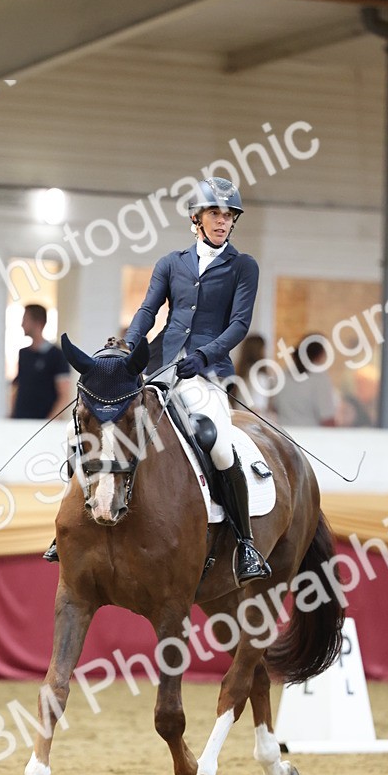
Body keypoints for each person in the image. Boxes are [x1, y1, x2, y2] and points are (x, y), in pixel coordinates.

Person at [124, 176, 270, 585]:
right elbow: (148, 311)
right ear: (197, 218)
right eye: (214, 213)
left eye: (228, 215)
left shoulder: (243, 266)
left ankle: (245, 543)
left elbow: (239, 324)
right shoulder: (172, 263)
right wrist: (129, 348)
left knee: (218, 444)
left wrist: (204, 355)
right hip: (160, 364)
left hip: (207, 371)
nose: (222, 221)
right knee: (109, 424)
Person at [11, 305, 72, 420]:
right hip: (20, 421)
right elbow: (17, 386)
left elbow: (64, 395)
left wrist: (50, 422)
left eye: (25, 319)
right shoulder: (23, 353)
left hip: (42, 422)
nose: (22, 324)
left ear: (38, 322)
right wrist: (12, 415)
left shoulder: (56, 355)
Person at [271, 335, 337, 427]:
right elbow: (327, 418)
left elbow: (274, 408)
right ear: (320, 355)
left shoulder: (282, 375)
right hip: (310, 433)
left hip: (284, 431)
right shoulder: (319, 378)